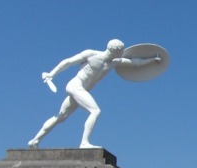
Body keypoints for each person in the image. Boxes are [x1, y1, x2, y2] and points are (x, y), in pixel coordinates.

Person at [28, 39, 162, 149]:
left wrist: (152, 59)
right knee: (95, 111)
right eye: (121, 52)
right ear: (116, 51)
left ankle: (35, 140)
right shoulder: (91, 54)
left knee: (61, 117)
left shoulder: (113, 62)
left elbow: (135, 63)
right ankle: (84, 143)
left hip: (81, 90)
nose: (122, 54)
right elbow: (67, 62)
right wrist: (52, 74)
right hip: (75, 86)